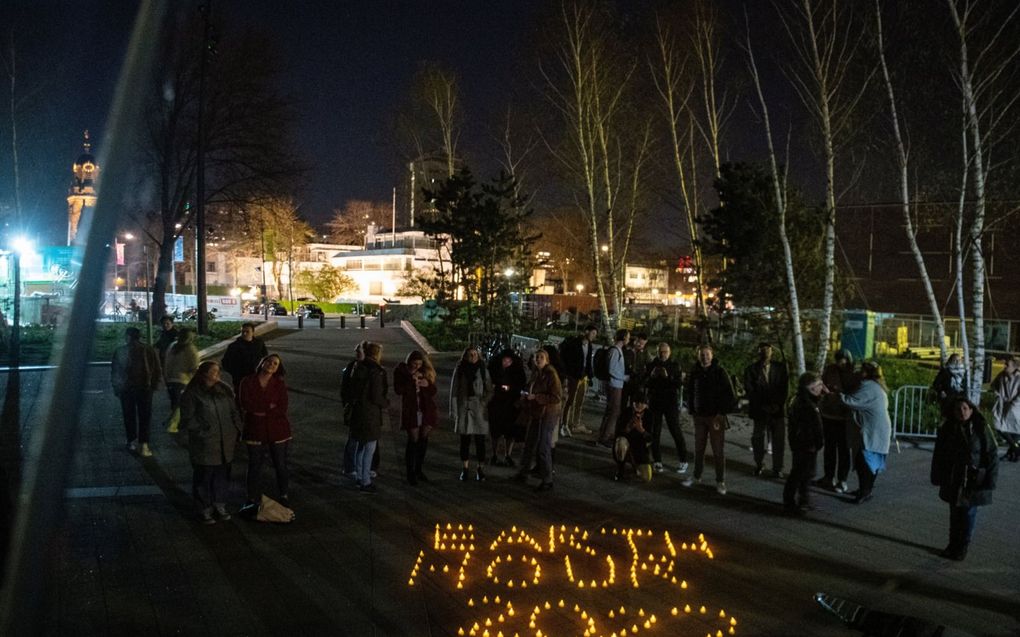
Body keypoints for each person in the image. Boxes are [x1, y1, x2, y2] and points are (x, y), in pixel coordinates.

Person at [931, 396, 998, 561]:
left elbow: (992, 454)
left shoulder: (981, 428)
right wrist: (937, 475)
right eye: (958, 409)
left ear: (971, 409)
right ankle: (952, 544)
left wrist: (991, 479)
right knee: (955, 513)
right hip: (954, 477)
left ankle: (963, 546)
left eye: (964, 408)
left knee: (968, 513)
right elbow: (939, 454)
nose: (961, 412)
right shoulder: (948, 428)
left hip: (973, 478)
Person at [180, 361, 242, 525]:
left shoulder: (223, 390)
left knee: (222, 475)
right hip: (205, 443)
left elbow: (233, 411)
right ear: (204, 373)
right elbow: (187, 419)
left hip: (225, 442)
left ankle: (219, 504)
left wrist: (236, 429)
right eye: (213, 371)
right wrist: (202, 431)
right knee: (204, 476)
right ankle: (204, 507)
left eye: (218, 370)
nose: (217, 373)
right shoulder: (192, 393)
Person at [239, 354, 292, 506]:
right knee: (254, 464)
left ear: (277, 369)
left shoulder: (279, 384)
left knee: (280, 464)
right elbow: (246, 404)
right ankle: (251, 497)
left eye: (275, 364)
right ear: (262, 363)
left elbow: (282, 407)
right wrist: (269, 406)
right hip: (255, 429)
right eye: (269, 361)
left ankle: (284, 494)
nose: (271, 365)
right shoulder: (248, 381)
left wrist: (262, 409)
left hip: (277, 429)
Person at [682, 344, 735, 495]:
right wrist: (692, 410)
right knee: (698, 448)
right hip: (699, 416)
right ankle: (697, 475)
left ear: (712, 355)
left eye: (707, 354)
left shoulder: (719, 372)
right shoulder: (695, 371)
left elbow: (729, 394)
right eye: (701, 354)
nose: (704, 357)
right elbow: (690, 392)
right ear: (698, 356)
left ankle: (720, 481)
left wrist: (721, 412)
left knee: (718, 450)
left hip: (715, 417)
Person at [840, 361, 891, 504]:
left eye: (861, 371)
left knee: (864, 462)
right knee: (870, 460)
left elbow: (851, 401)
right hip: (877, 428)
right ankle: (866, 489)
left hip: (873, 430)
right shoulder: (876, 386)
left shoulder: (868, 387)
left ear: (867, 373)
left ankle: (865, 491)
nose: (858, 373)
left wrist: (837, 395)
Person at [514, 348, 562, 492]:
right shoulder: (536, 374)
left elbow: (556, 397)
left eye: (541, 357)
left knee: (543, 447)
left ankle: (547, 480)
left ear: (547, 360)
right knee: (529, 444)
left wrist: (537, 398)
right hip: (536, 413)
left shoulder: (551, 375)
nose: (538, 359)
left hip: (547, 415)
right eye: (536, 357)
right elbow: (530, 388)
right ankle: (523, 473)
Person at [111, 326, 162, 457]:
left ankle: (132, 441)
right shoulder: (148, 350)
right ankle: (144, 444)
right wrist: (154, 385)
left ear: (128, 336)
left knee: (129, 415)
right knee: (145, 416)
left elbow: (115, 371)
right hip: (145, 387)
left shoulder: (121, 351)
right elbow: (156, 368)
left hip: (127, 388)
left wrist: (117, 388)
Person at [744, 342, 790, 478]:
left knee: (778, 440)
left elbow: (785, 389)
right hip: (760, 410)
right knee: (758, 439)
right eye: (762, 350)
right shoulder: (751, 370)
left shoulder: (781, 368)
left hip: (777, 410)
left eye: (768, 350)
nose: (765, 353)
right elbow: (750, 390)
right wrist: (761, 405)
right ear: (758, 352)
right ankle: (759, 464)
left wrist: (778, 404)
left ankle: (778, 467)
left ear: (772, 352)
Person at [783, 373, 827, 514]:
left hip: (801, 443)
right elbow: (815, 427)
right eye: (819, 385)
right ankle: (793, 502)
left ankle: (803, 500)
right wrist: (819, 442)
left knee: (803, 473)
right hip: (806, 444)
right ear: (811, 387)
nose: (822, 387)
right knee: (801, 473)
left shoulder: (801, 400)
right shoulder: (807, 405)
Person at [394, 350, 439, 485]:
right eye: (414, 364)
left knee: (423, 439)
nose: (416, 367)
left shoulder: (425, 372)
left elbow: (433, 391)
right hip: (411, 410)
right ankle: (410, 472)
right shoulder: (401, 371)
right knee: (413, 439)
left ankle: (419, 469)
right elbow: (398, 390)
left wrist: (427, 384)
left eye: (419, 364)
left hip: (426, 409)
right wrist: (411, 380)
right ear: (409, 362)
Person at [817, 349, 857, 493]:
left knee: (843, 450)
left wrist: (839, 393)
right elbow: (822, 384)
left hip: (844, 417)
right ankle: (828, 477)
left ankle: (842, 480)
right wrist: (825, 392)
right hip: (829, 414)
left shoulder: (853, 373)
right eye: (838, 359)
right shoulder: (830, 369)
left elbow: (855, 392)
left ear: (848, 359)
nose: (840, 362)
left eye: (843, 359)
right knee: (829, 448)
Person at [350, 341, 388, 493]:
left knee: (360, 445)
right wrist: (386, 403)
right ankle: (366, 480)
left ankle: (359, 475)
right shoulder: (375, 371)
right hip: (370, 413)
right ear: (377, 354)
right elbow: (376, 396)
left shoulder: (358, 367)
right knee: (370, 448)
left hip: (358, 411)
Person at [645, 342, 688, 474]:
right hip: (655, 402)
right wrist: (652, 376)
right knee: (655, 432)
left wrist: (668, 377)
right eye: (661, 352)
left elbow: (679, 384)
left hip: (670, 402)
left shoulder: (675, 365)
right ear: (657, 352)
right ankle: (657, 460)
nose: (663, 354)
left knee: (675, 430)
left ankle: (683, 460)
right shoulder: (651, 364)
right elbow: (645, 383)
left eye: (665, 352)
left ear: (670, 353)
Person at [451, 346, 492, 481]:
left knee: (480, 441)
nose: (473, 357)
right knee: (465, 440)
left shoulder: (482, 369)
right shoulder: (460, 369)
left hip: (479, 408)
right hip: (464, 407)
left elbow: (489, 389)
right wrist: (454, 410)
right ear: (465, 356)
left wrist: (483, 402)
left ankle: (480, 469)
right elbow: (454, 390)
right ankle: (465, 468)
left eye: (475, 354)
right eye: (470, 354)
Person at [488, 349, 528, 467]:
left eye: (508, 361)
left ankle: (507, 455)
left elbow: (521, 385)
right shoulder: (494, 368)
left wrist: (511, 389)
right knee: (495, 430)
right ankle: (494, 454)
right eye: (504, 360)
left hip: (511, 404)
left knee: (510, 432)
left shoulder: (518, 371)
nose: (506, 362)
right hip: (496, 403)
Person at [558, 324, 598, 437]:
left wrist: (590, 376)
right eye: (593, 333)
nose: (594, 336)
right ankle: (563, 424)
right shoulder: (574, 343)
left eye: (595, 335)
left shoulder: (589, 345)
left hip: (583, 376)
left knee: (579, 402)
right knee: (568, 401)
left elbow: (588, 361)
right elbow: (566, 359)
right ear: (586, 331)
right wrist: (567, 374)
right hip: (573, 376)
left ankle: (574, 423)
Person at [596, 329, 631, 447]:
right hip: (615, 384)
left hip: (616, 384)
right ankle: (605, 437)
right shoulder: (615, 351)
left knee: (611, 411)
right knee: (614, 411)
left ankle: (605, 434)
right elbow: (611, 369)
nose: (629, 339)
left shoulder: (617, 350)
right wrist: (624, 377)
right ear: (624, 337)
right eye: (628, 337)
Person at [163, 327, 199, 434]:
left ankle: (170, 421)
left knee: (175, 402)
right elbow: (194, 366)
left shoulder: (172, 346)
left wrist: (166, 376)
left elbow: (166, 362)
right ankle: (172, 425)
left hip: (170, 379)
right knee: (180, 404)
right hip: (183, 380)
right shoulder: (190, 349)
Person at [340, 341, 368, 479]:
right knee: (353, 438)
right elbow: (344, 388)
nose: (357, 354)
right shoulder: (352, 366)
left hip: (364, 408)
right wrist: (346, 403)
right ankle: (349, 467)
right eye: (356, 351)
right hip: (354, 407)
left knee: (365, 439)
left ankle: (362, 466)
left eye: (360, 351)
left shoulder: (369, 368)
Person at [613, 391, 652, 482]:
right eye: (636, 402)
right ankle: (621, 467)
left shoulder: (649, 415)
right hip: (627, 441)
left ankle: (636, 464)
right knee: (621, 443)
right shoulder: (626, 412)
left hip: (639, 446)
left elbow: (651, 438)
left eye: (642, 403)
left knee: (646, 477)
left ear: (646, 404)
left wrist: (641, 430)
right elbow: (618, 433)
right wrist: (628, 427)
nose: (639, 405)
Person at [221, 322, 269, 395]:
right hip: (240, 378)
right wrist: (235, 372)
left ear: (253, 332)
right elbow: (225, 362)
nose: (244, 334)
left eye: (247, 332)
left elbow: (265, 355)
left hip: (256, 376)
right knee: (241, 396)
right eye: (243, 332)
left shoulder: (259, 343)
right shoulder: (234, 346)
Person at [990, 355, 1020, 462]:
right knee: (999, 426)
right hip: (1003, 405)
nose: (1005, 366)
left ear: (1014, 366)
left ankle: (1012, 454)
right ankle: (1016, 449)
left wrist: (1015, 403)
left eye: (1007, 364)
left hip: (1015, 407)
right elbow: (993, 385)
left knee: (1014, 431)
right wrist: (997, 394)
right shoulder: (1002, 375)